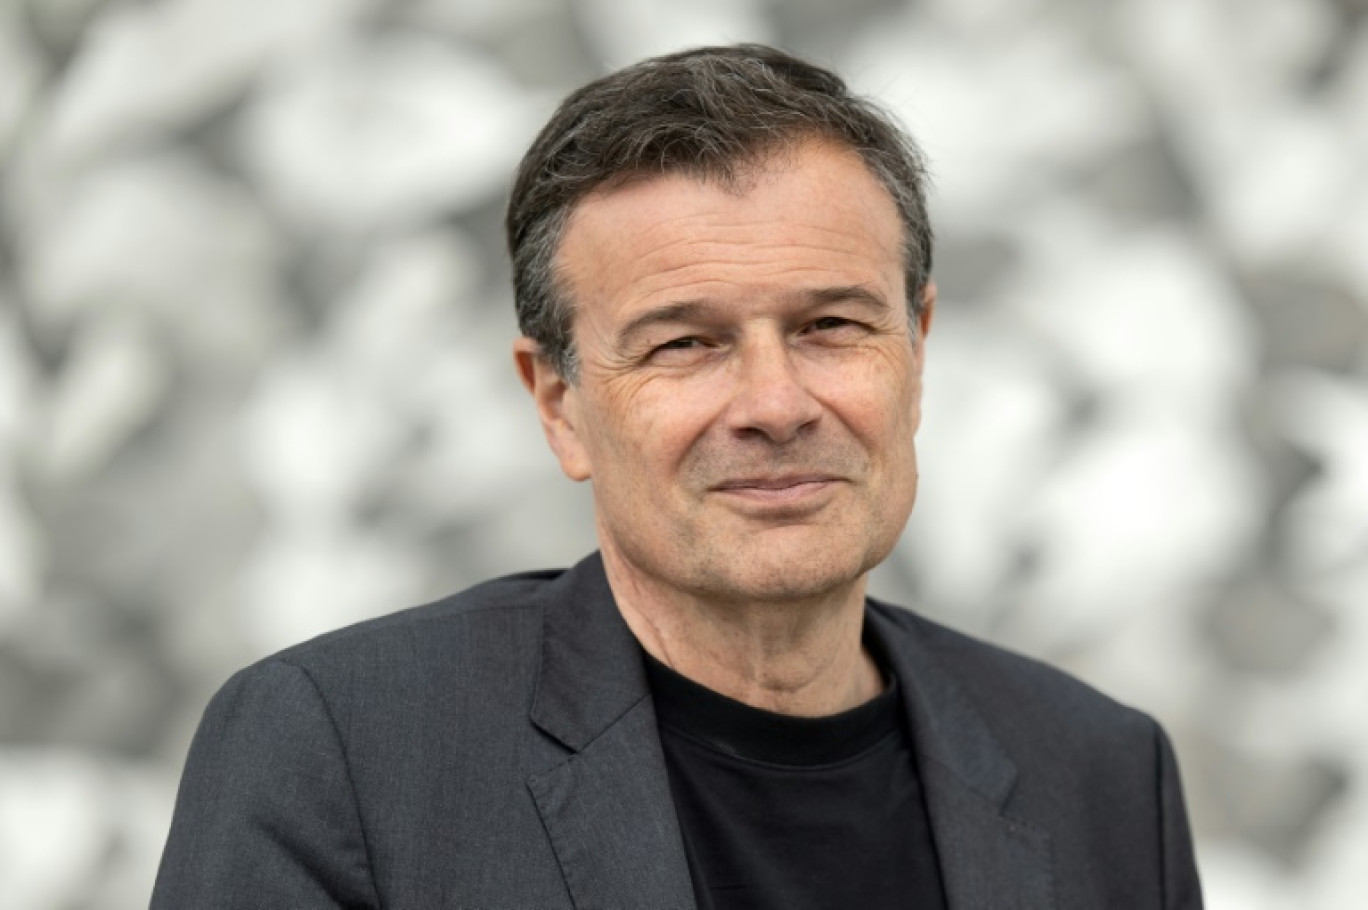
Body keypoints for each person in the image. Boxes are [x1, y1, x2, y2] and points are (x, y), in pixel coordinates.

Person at [152, 44, 1203, 909]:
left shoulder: (1101, 773)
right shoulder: (342, 751)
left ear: (916, 354)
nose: (777, 404)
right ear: (558, 402)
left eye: (831, 326)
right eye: (683, 345)